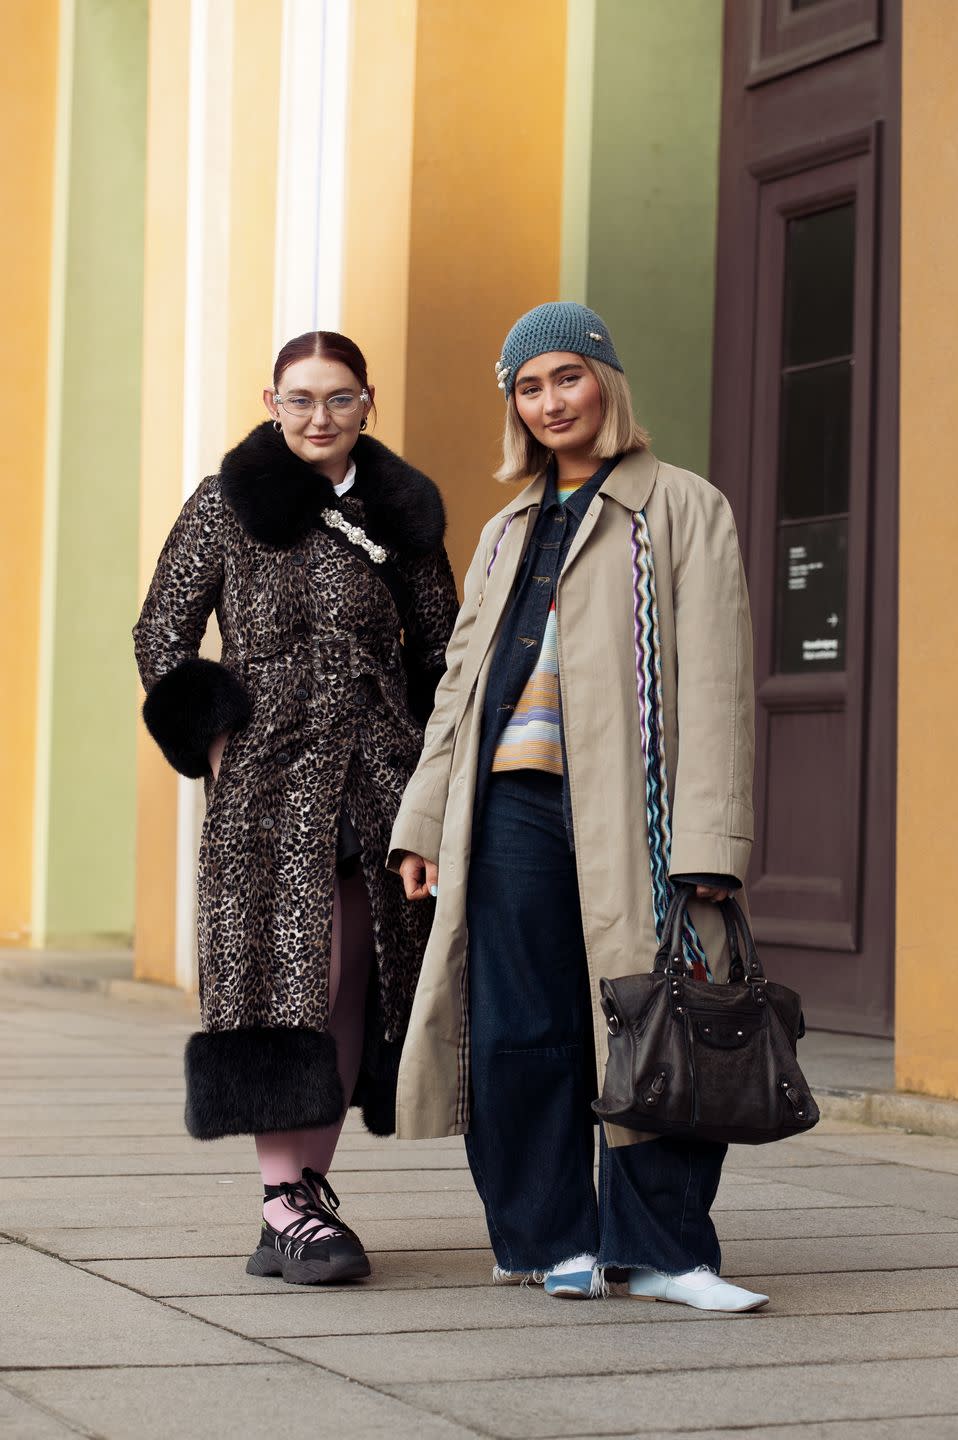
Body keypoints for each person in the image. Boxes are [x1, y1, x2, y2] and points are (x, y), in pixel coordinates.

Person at [390, 302, 768, 1312]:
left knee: (659, 1021)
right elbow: (460, 688)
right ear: (513, 405)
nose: (551, 400)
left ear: (606, 380)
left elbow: (721, 685)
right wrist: (422, 823)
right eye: (529, 385)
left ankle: (662, 1250)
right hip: (510, 806)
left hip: (632, 815)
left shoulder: (683, 508)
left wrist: (711, 840)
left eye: (567, 375)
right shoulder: (507, 528)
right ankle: (546, 1235)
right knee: (519, 1025)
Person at [134, 330, 458, 1285]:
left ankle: (305, 1198)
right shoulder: (226, 502)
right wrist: (213, 735)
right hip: (267, 790)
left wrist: (428, 769)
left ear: (369, 402)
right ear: (271, 401)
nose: (321, 418)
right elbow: (163, 630)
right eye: (301, 399)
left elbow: (444, 647)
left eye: (341, 399)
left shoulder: (401, 510)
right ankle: (283, 1198)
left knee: (350, 978)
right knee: (288, 986)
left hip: (374, 781)